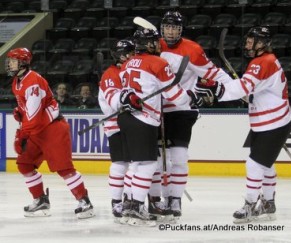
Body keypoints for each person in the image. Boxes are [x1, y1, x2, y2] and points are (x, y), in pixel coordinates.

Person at [195, 26, 291, 223]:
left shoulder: (262, 62)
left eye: (251, 41)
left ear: (262, 43)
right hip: (268, 123)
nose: (247, 44)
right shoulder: (266, 61)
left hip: (272, 124)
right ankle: (268, 202)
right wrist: (245, 94)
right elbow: (252, 90)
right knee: (265, 165)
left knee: (254, 165)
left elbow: (242, 88)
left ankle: (250, 205)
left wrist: (217, 90)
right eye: (247, 40)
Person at [150, 10, 233, 220]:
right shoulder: (153, 45)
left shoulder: (192, 49)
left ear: (180, 30)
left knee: (177, 158)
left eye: (174, 28)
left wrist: (238, 89)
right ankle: (155, 200)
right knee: (157, 161)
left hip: (182, 109)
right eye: (167, 27)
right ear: (162, 28)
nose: (170, 31)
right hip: (155, 110)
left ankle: (175, 199)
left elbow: (214, 73)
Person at [117, 28, 203, 226]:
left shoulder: (127, 64)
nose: (158, 44)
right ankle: (137, 206)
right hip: (144, 119)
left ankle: (130, 204)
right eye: (155, 41)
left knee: (136, 164)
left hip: (126, 117)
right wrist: (192, 97)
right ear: (148, 44)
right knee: (148, 165)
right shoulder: (158, 62)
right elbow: (176, 96)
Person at [7, 47, 95, 219]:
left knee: (64, 168)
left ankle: (85, 202)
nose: (9, 64)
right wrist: (20, 110)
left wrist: (22, 134)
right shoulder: (17, 81)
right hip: (37, 130)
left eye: (13, 60)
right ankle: (40, 200)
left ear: (23, 62)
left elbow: (33, 114)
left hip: (51, 128)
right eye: (9, 61)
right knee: (24, 164)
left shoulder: (33, 81)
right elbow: (27, 110)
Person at [98, 39, 135, 223]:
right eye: (129, 53)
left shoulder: (129, 71)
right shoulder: (111, 74)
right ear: (121, 55)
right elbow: (113, 103)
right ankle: (117, 202)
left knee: (135, 164)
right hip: (117, 124)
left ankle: (129, 200)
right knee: (121, 164)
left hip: (133, 123)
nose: (133, 55)